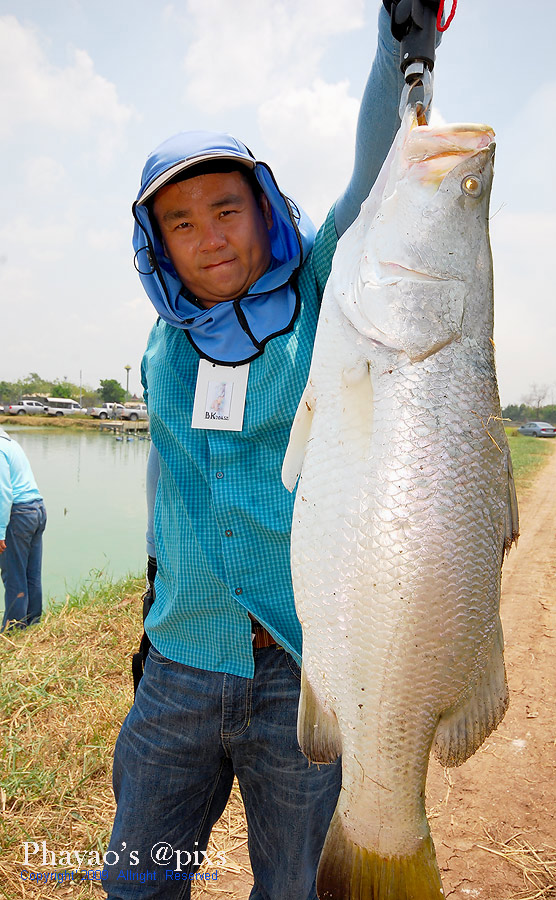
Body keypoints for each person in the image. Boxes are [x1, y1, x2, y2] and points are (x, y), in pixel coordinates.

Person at [105, 6, 411, 899]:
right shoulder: (166, 342)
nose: (210, 238)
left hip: (304, 667)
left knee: (296, 885)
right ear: (157, 246)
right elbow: (165, 471)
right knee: (137, 879)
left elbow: (371, 179)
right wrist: (158, 581)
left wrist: (399, 50)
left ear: (264, 209)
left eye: (227, 208)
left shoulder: (324, 293)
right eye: (182, 225)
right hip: (180, 660)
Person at [0, 428, 47, 630]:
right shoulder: (10, 443)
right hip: (36, 508)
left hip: (18, 514)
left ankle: (14, 630)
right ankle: (33, 623)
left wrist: (0, 531)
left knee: (14, 576)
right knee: (31, 574)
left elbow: (4, 493)